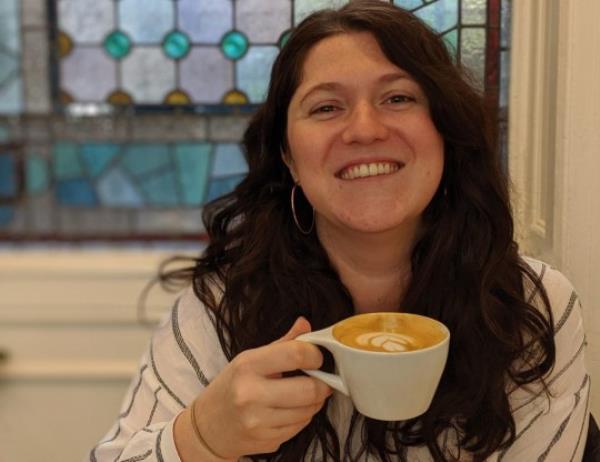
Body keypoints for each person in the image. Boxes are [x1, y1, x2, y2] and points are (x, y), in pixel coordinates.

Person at [89, 1, 589, 461]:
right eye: (326, 107)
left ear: (445, 132)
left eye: (397, 97)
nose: (365, 129)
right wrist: (200, 436)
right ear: (288, 155)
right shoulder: (220, 306)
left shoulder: (532, 306)